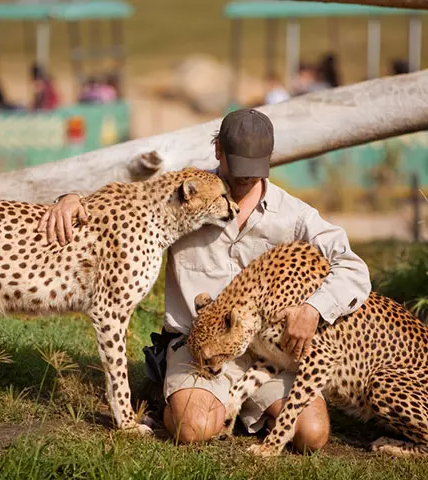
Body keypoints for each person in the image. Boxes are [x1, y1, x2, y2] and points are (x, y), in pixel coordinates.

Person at [36, 108, 372, 452]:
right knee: (192, 428)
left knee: (310, 436)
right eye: (237, 168)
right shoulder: (186, 196)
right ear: (217, 151)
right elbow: (122, 199)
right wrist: (71, 198)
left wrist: (314, 309)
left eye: (253, 171)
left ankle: (237, 407)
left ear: (270, 159)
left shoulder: (295, 215)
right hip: (198, 345)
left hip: (267, 353)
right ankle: (168, 391)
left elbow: (354, 269)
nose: (243, 180)